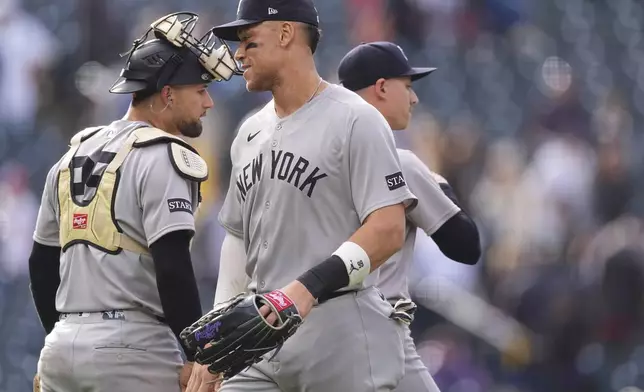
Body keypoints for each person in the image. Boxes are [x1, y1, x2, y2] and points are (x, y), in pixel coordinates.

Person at [187, 0, 419, 391]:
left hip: (339, 332)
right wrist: (217, 345)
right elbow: (238, 241)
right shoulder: (248, 133)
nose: (238, 53)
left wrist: (307, 287)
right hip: (258, 336)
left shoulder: (355, 118)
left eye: (249, 40)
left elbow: (387, 229)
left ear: (285, 33)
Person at [28, 12, 238, 392]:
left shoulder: (70, 156)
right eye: (200, 89)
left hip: (61, 350)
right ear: (168, 93)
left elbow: (40, 264)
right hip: (132, 352)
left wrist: (60, 338)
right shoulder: (164, 154)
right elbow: (173, 268)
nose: (208, 102)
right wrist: (199, 354)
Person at [337, 41, 482, 391]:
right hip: (381, 331)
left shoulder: (315, 162)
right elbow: (466, 247)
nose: (414, 99)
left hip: (313, 328)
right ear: (382, 88)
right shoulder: (400, 164)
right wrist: (441, 188)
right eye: (408, 87)